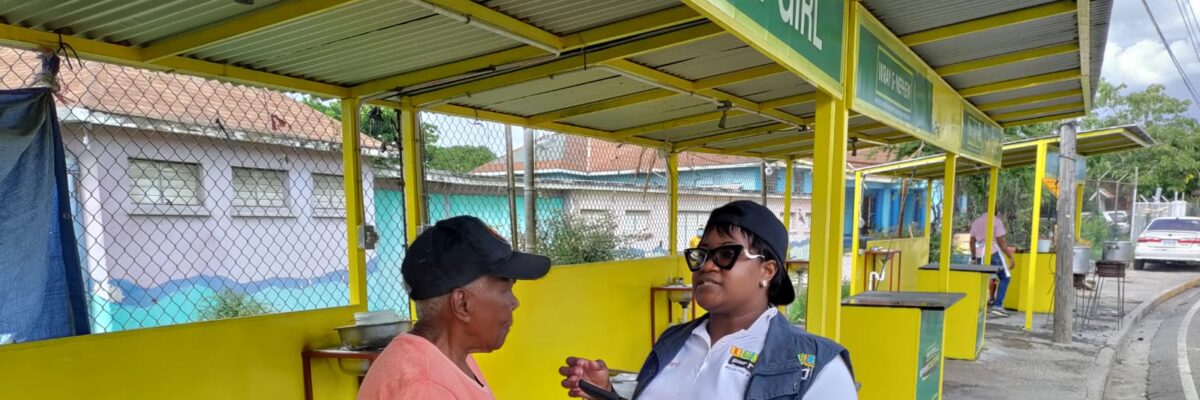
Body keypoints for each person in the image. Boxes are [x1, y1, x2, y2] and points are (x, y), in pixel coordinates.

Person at [558, 201, 857, 399]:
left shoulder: (817, 366)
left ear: (767, 270)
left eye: (726, 254)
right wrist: (606, 392)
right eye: (702, 254)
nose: (707, 266)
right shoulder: (673, 341)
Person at [358, 216, 551, 400]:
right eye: (506, 290)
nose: (514, 303)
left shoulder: (445, 359)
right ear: (462, 304)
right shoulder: (425, 386)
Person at [970, 211, 1017, 317]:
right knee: (1005, 277)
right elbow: (1001, 241)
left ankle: (981, 305)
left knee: (983, 279)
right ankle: (998, 305)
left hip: (979, 253)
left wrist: (973, 257)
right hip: (993, 251)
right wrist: (1010, 257)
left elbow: (971, 241)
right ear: (996, 211)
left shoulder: (976, 222)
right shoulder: (996, 221)